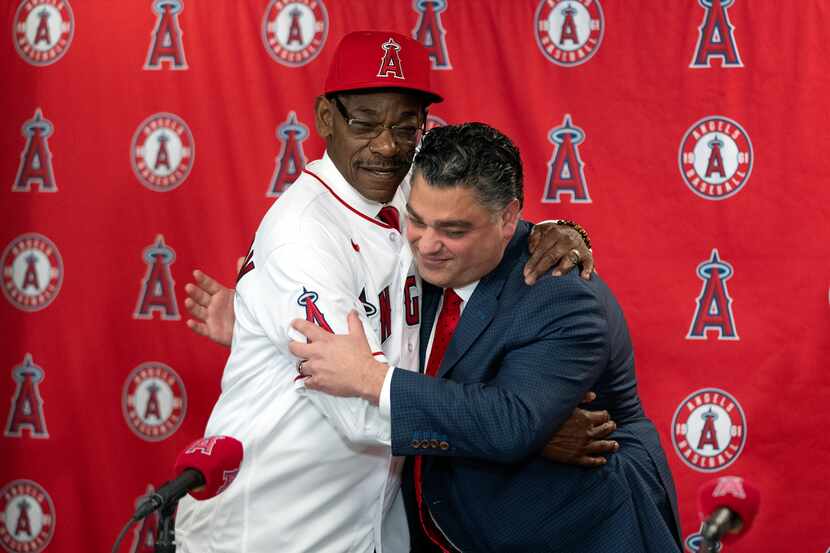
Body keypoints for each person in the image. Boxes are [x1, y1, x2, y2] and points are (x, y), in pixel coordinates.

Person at [175, 31, 609, 553]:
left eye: (406, 127)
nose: (386, 145)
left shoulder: (401, 193)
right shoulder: (303, 236)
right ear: (325, 118)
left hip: (368, 524)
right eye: (365, 122)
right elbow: (357, 406)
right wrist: (521, 436)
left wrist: (557, 229)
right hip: (273, 527)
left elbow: (476, 223)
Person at [290, 122, 682, 552]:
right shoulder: (419, 261)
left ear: (508, 217)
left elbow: (511, 423)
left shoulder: (561, 294)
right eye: (417, 220)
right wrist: (250, 313)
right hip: (450, 525)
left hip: (577, 529)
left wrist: (370, 378)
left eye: (454, 230)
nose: (427, 244)